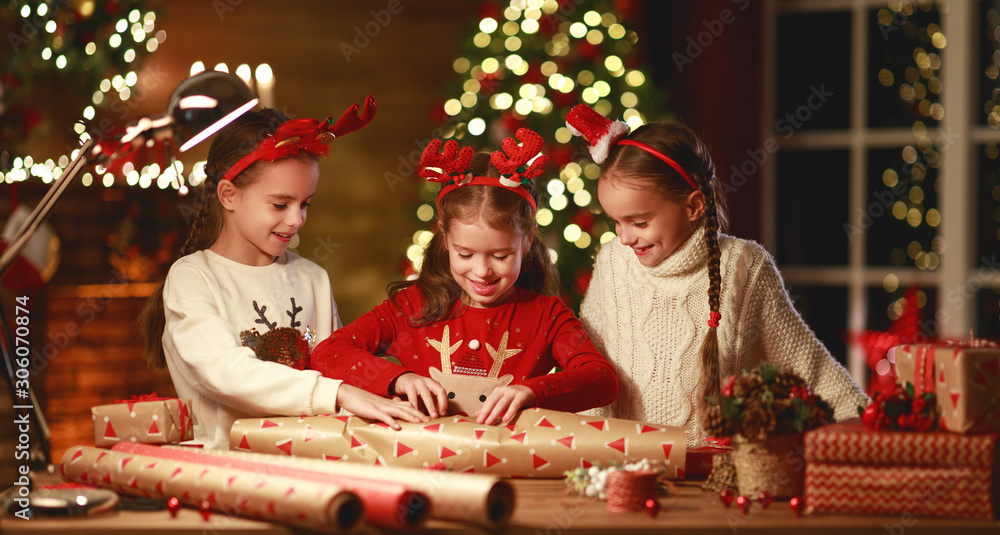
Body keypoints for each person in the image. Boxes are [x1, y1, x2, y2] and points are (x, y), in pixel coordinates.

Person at [564, 104, 869, 447]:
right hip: (628, 471)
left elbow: (807, 365)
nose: (625, 237)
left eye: (639, 222)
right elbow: (588, 365)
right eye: (615, 222)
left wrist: (867, 424)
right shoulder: (612, 263)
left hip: (718, 477)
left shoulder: (744, 267)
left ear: (693, 206)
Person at [136, 103, 427, 449]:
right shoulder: (192, 278)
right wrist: (337, 392)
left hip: (311, 462)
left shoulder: (312, 277)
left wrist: (389, 387)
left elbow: (334, 366)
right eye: (280, 204)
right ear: (229, 195)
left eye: (305, 204)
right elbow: (227, 373)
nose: (297, 219)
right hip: (224, 471)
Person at [309, 129, 618, 425]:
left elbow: (602, 379)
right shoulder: (411, 306)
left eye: (500, 256)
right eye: (466, 255)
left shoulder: (547, 317)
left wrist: (531, 392)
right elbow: (329, 353)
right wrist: (399, 379)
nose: (482, 271)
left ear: (527, 240)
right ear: (445, 238)